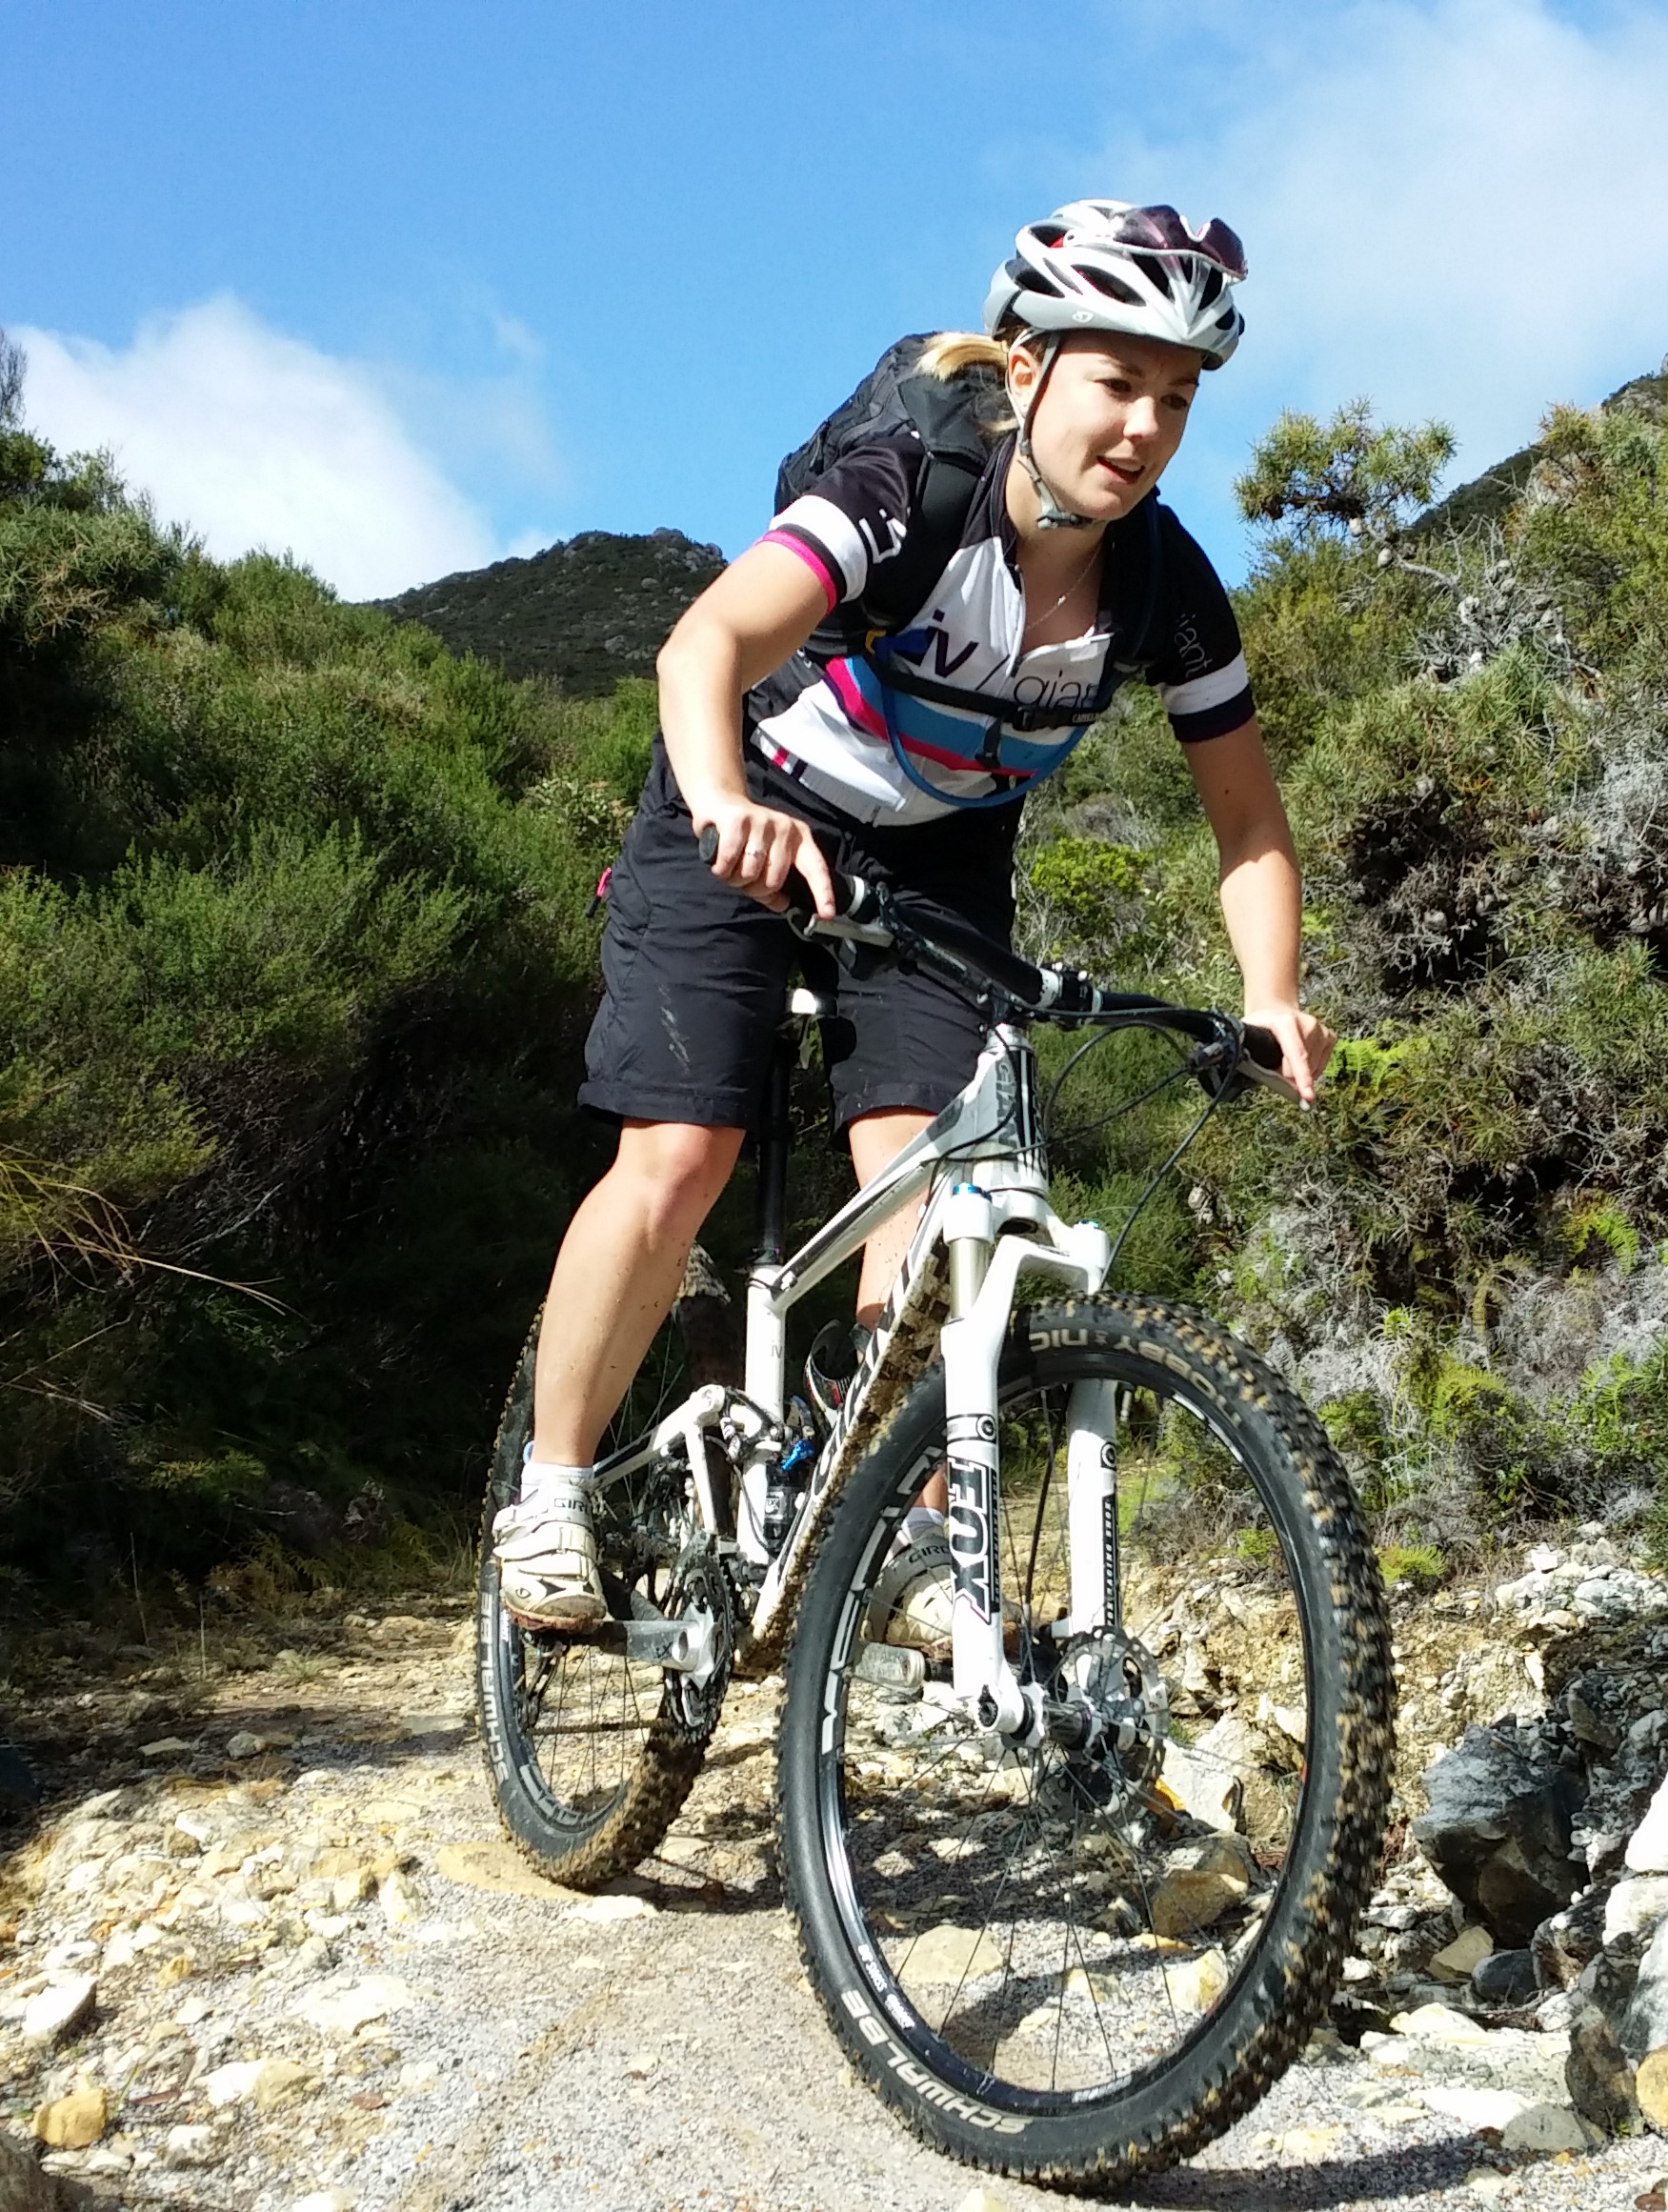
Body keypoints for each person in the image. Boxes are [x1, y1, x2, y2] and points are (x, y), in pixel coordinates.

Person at [495, 199, 1334, 1634]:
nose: (1145, 426)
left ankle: (908, 1538)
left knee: (942, 1197)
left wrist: (1271, 994)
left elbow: (1248, 822)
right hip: (748, 795)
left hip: (936, 858)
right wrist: (723, 800)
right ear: (1029, 370)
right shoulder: (913, 487)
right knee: (682, 1152)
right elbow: (705, 643)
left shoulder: (1166, 586)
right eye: (1118, 382)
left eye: (1178, 399)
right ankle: (555, 1489)